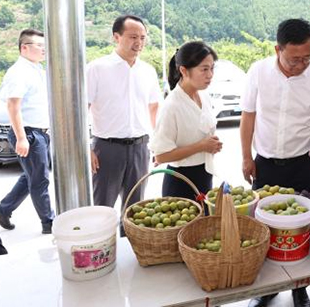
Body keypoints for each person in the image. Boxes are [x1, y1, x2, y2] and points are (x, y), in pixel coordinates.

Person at [240, 18, 310, 307]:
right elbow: (248, 116)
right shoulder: (258, 72)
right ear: (277, 49)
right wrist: (246, 157)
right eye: (295, 58)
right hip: (266, 163)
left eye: (307, 57)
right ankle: (265, 288)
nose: (301, 64)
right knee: (264, 229)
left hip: (303, 165)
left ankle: (300, 288)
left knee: (301, 229)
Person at [87, 15, 162, 214]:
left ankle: (129, 244)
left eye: (143, 38)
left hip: (140, 148)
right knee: (103, 209)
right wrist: (87, 148)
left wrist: (156, 143)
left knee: (135, 210)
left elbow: (153, 108)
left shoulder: (148, 71)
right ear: (116, 37)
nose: (138, 43)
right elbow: (82, 108)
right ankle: (105, 246)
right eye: (132, 37)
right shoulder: (97, 68)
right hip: (107, 149)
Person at [0, 29, 55, 235]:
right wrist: (21, 138)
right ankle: (49, 222)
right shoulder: (19, 72)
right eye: (39, 46)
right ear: (24, 47)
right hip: (28, 133)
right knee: (40, 180)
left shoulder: (36, 69)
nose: (44, 49)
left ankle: (3, 210)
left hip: (39, 132)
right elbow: (13, 106)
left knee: (31, 177)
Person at [149, 42, 222, 201]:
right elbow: (161, 156)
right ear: (183, 70)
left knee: (205, 224)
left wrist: (212, 145)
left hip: (204, 175)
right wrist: (202, 146)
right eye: (204, 69)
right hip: (180, 181)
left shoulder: (204, 96)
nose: (210, 75)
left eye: (212, 68)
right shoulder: (171, 106)